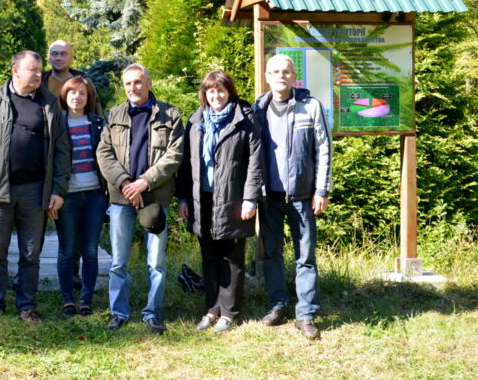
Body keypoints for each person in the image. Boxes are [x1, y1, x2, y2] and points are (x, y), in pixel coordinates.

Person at [0, 50, 70, 324]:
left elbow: (62, 151)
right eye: (33, 70)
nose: (39, 75)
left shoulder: (49, 103)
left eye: (40, 70)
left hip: (35, 192)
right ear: (15, 70)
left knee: (30, 253)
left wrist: (58, 189)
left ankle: (27, 306)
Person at [96, 63, 184, 335]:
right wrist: (125, 183)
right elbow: (104, 153)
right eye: (127, 84)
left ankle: (152, 312)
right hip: (121, 198)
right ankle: (119, 312)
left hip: (154, 197)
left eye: (137, 82)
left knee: (156, 261)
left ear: (149, 83)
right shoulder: (114, 114)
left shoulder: (171, 115)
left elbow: (174, 155)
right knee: (119, 261)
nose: (132, 88)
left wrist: (145, 182)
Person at [176, 71, 263, 333]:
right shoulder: (195, 121)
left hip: (233, 198)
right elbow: (186, 164)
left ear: (230, 92)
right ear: (204, 94)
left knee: (232, 257)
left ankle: (230, 313)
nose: (216, 96)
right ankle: (212, 310)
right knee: (209, 257)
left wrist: (250, 199)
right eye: (211, 91)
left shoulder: (245, 120)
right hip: (201, 198)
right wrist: (183, 198)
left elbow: (255, 163)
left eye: (221, 90)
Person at [253, 53, 332, 340]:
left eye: (286, 71)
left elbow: (323, 148)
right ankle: (278, 304)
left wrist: (321, 190)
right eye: (275, 71)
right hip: (269, 197)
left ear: (294, 75)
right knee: (271, 254)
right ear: (266, 76)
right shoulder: (258, 109)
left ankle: (306, 313)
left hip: (302, 196)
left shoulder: (310, 106)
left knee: (306, 258)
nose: (281, 76)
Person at [54, 76, 107, 317]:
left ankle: (86, 299)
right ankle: (67, 299)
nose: (77, 96)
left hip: (95, 196)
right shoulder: (56, 124)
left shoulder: (98, 124)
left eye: (82, 93)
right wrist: (52, 195)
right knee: (66, 249)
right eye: (72, 92)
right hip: (67, 197)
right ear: (65, 96)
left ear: (89, 98)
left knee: (91, 251)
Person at [43, 40, 103, 117]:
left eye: (63, 54)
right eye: (54, 54)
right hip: (47, 128)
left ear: (71, 57)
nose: (58, 58)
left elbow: (95, 109)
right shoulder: (40, 82)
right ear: (48, 57)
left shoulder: (84, 82)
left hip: (80, 126)